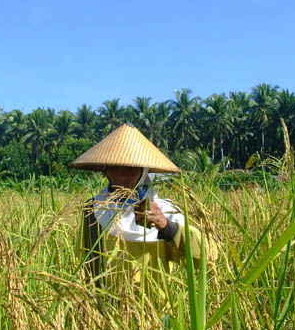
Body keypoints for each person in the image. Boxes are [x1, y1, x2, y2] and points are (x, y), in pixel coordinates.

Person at [71, 123, 212, 295]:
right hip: (107, 311)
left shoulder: (166, 211)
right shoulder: (93, 210)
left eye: (131, 167)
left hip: (155, 312)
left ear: (144, 170)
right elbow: (84, 263)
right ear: (106, 170)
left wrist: (166, 226)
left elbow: (206, 260)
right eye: (115, 167)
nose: (122, 175)